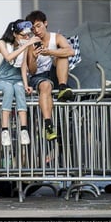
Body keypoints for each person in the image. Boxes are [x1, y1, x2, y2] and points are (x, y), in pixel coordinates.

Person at [25, 10, 75, 141]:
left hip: (55, 74)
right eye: (32, 28)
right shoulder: (31, 43)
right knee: (45, 85)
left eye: (38, 25)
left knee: (62, 56)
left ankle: (63, 88)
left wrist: (51, 52)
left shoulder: (56, 37)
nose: (36, 30)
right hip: (39, 77)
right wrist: (34, 58)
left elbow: (71, 51)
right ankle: (48, 125)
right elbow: (32, 71)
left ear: (45, 23)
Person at [0, 19, 41, 146]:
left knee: (19, 89)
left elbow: (24, 67)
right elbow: (8, 57)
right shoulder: (1, 43)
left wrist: (26, 85)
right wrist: (26, 45)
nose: (26, 37)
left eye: (27, 35)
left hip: (17, 79)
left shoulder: (23, 46)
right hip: (0, 79)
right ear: (14, 34)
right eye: (22, 35)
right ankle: (4, 130)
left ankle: (24, 129)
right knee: (8, 89)